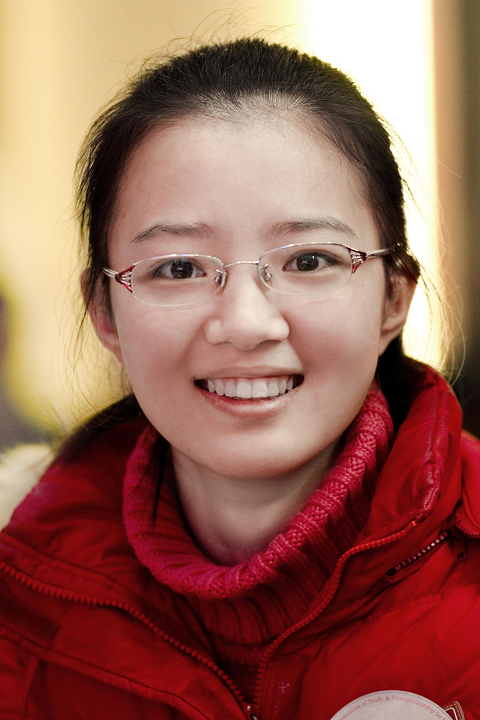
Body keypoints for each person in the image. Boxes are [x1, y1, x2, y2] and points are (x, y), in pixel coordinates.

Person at [0, 38, 479, 720]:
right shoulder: (18, 602)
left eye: (309, 260)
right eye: (178, 268)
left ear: (393, 298)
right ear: (104, 311)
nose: (247, 323)